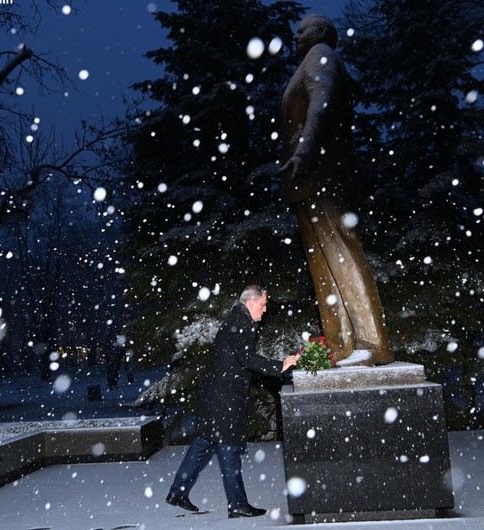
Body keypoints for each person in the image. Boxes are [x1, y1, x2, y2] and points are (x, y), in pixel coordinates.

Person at [279, 14, 394, 365]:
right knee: (323, 262)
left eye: (303, 30)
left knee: (341, 251)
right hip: (308, 180)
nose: (295, 36)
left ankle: (372, 343)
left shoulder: (321, 54)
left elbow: (321, 106)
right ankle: (341, 344)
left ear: (322, 32)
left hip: (323, 173)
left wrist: (304, 152)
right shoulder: (313, 59)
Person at [166, 285, 299, 518]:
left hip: (216, 395)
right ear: (251, 303)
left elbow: (239, 361)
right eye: (263, 304)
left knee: (203, 444)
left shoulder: (238, 319)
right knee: (229, 449)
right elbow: (246, 358)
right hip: (223, 397)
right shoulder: (241, 322)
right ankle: (237, 503)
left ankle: (178, 491)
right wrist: (279, 366)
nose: (266, 309)